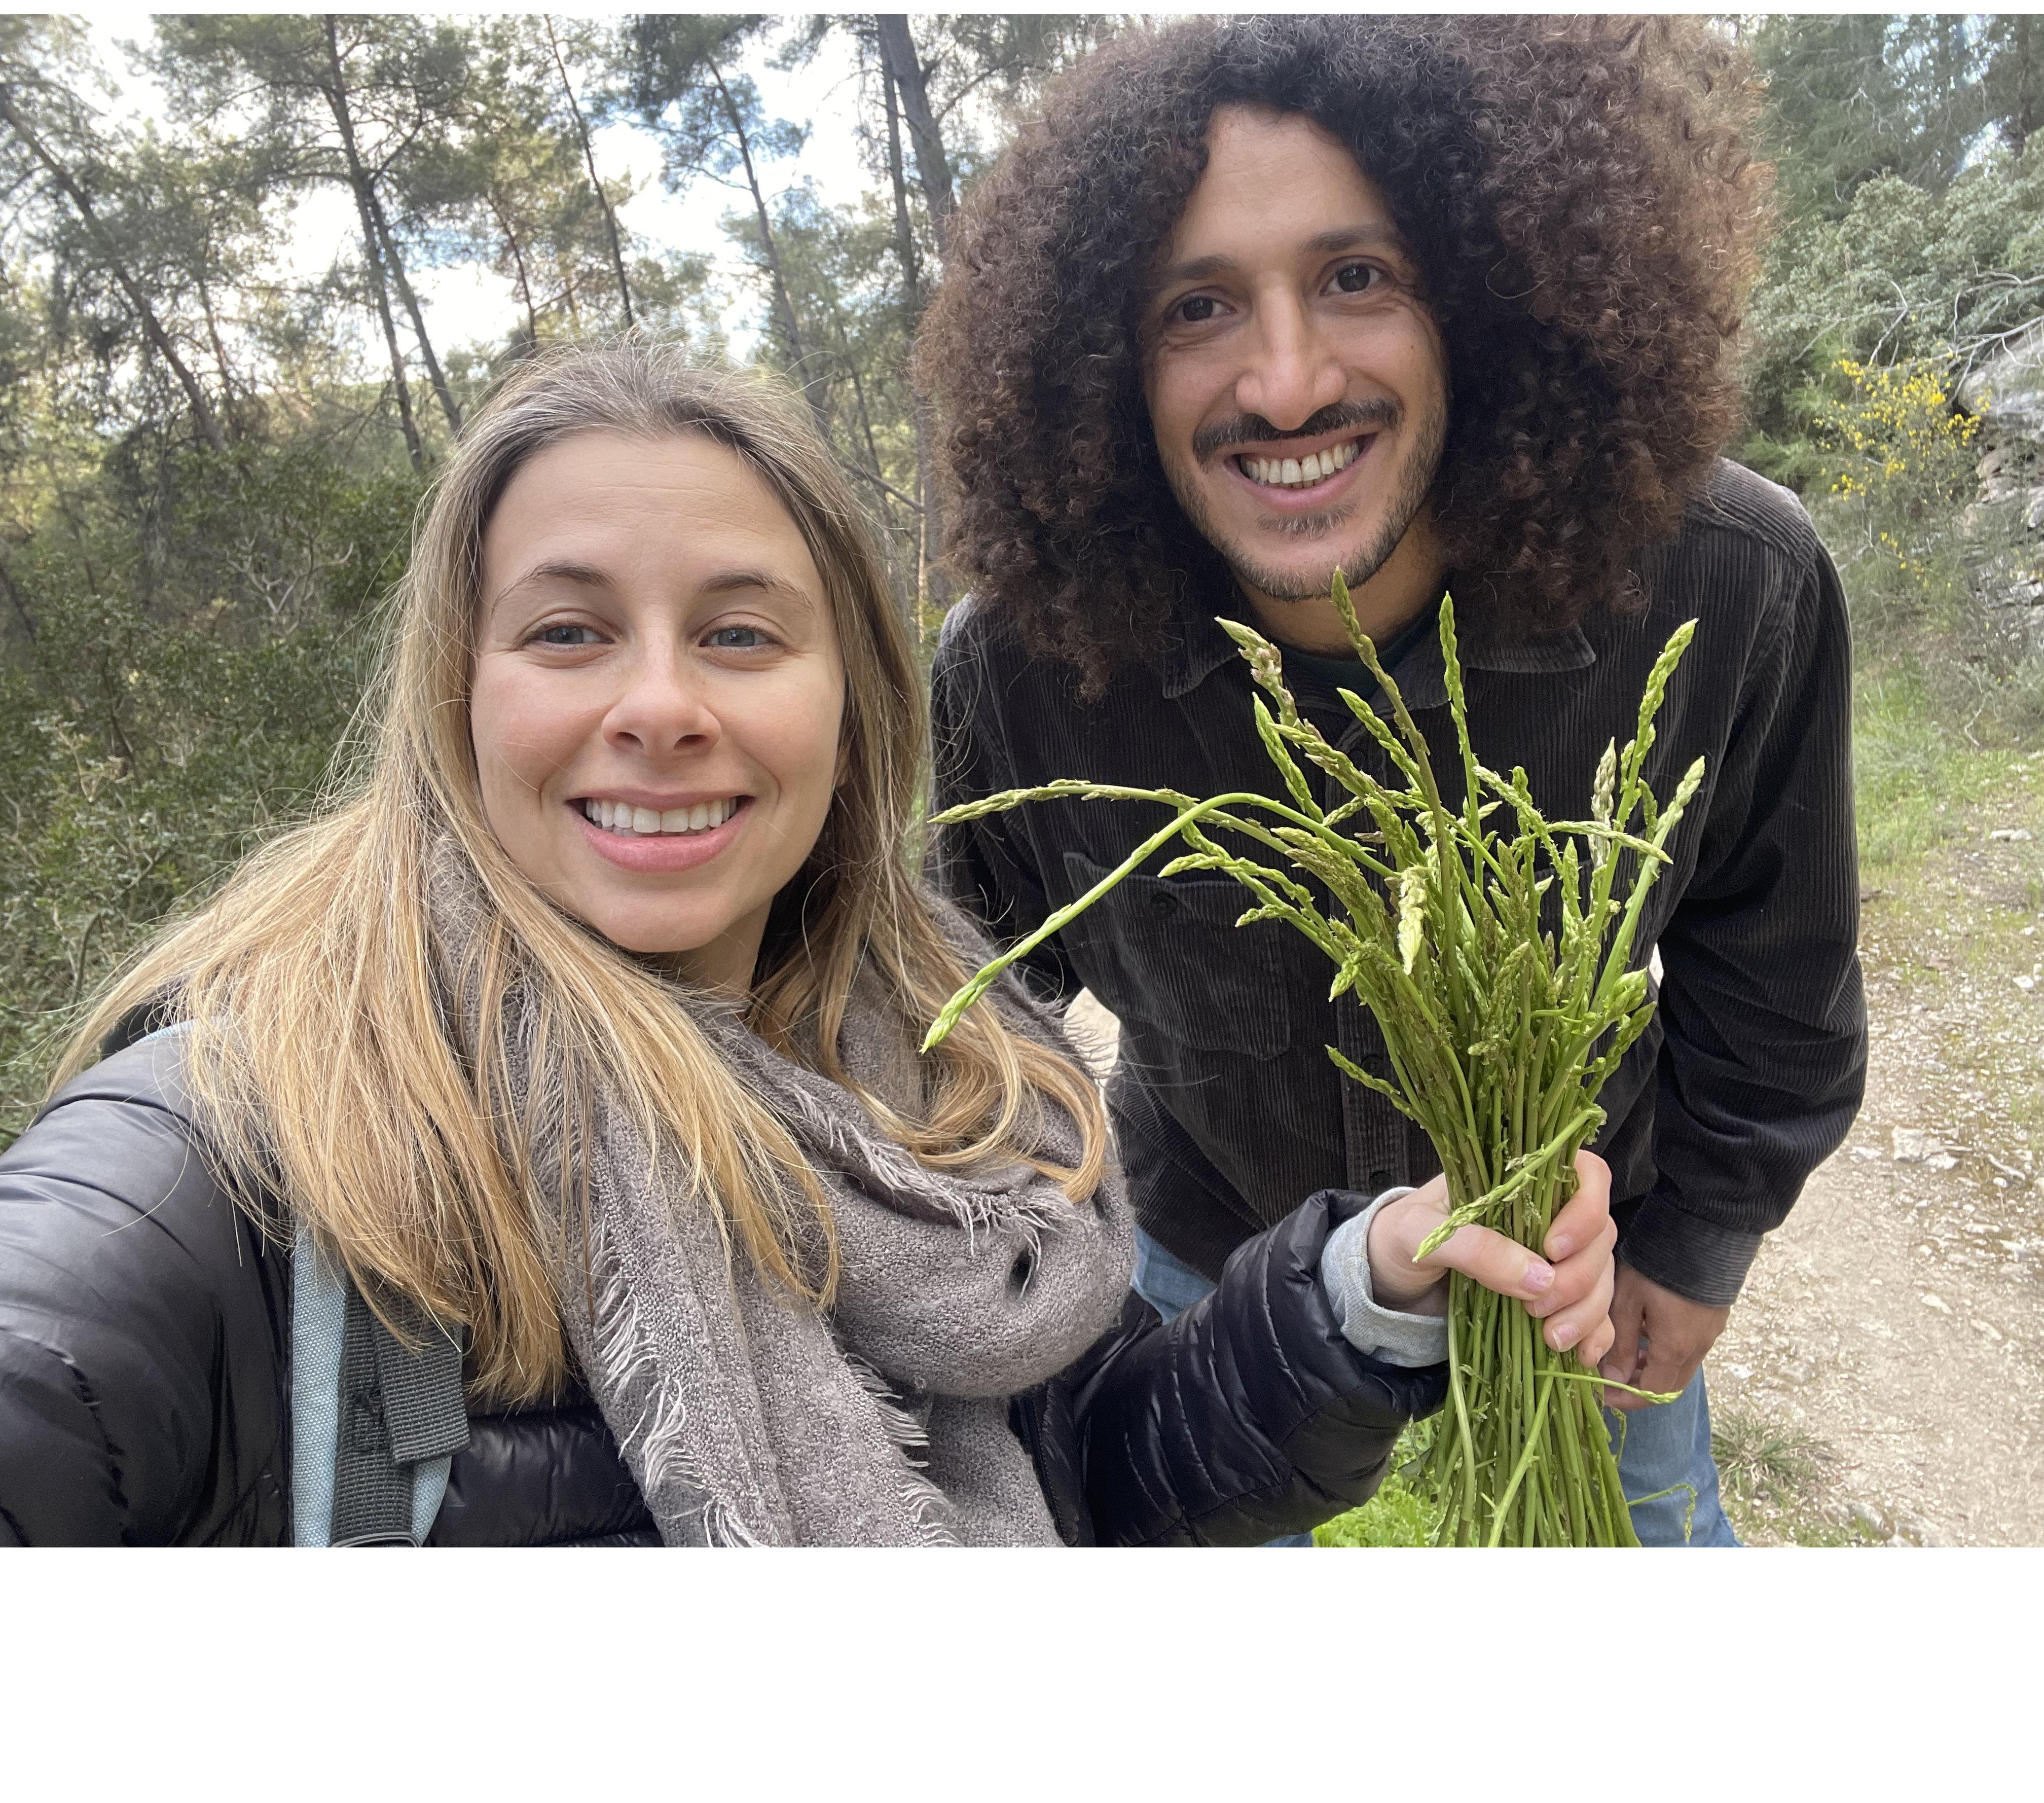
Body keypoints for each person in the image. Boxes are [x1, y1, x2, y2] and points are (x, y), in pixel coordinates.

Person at [0, 341, 1618, 1548]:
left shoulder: (957, 1078)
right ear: (457, 697)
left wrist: (1354, 1293)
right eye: (568, 631)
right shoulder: (239, 1154)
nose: (657, 706)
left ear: (849, 711)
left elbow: (1098, 1483)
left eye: (740, 633)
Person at [920, 16, 1869, 1547]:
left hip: (1581, 1288)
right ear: (1105, 362)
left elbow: (1780, 976)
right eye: (1199, 306)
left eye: (1358, 277)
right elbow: (951, 1024)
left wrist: (1698, 1249)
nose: (1286, 384)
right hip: (1210, 1279)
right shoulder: (1022, 669)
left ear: (1486, 303)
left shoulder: (1728, 581)